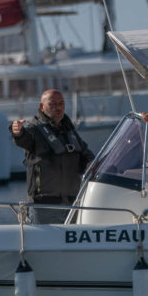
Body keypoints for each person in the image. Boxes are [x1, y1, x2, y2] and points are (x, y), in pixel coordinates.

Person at [10, 89, 94, 224]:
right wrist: (18, 132)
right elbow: (23, 139)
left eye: (61, 103)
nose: (58, 107)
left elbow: (85, 153)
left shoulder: (69, 130)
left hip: (72, 203)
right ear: (42, 107)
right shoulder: (34, 128)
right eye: (53, 104)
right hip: (44, 206)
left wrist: (91, 162)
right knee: (44, 244)